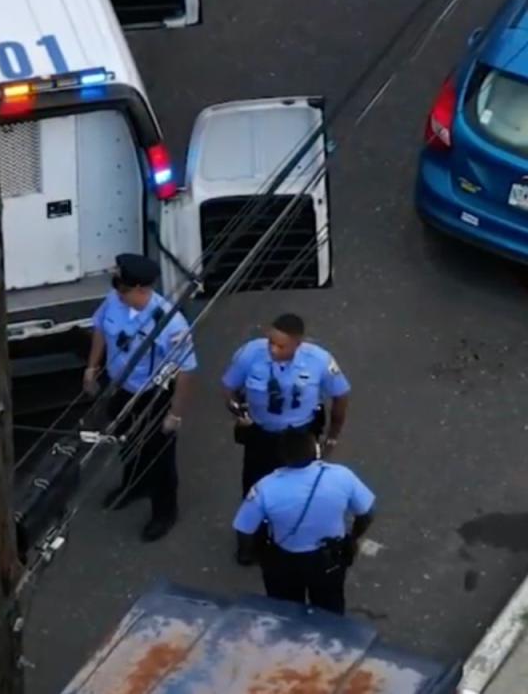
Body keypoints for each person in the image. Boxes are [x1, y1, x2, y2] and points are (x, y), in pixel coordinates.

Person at [83, 253, 197, 542]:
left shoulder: (171, 324)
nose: (118, 294)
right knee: (126, 441)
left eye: (124, 290)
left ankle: (164, 511)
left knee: (159, 457)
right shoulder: (114, 299)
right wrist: (92, 367)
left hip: (152, 395)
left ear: (141, 290)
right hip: (119, 386)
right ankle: (134, 485)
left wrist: (175, 414)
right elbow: (100, 328)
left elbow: (186, 371)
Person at [221, 313, 350, 563]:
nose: (272, 349)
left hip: (300, 435)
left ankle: (290, 539)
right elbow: (228, 386)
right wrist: (236, 409)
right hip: (261, 433)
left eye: (281, 346)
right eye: (270, 341)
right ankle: (250, 542)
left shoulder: (319, 361)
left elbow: (341, 395)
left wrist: (332, 437)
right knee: (254, 489)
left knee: (301, 489)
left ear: (298, 343)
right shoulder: (250, 353)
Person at [232, 429, 375, 615]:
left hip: (284, 560)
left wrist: (260, 556)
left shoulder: (265, 488)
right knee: (329, 615)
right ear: (315, 450)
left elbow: (244, 529)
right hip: (328, 559)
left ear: (282, 456)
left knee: (285, 615)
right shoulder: (342, 476)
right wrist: (353, 538)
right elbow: (366, 514)